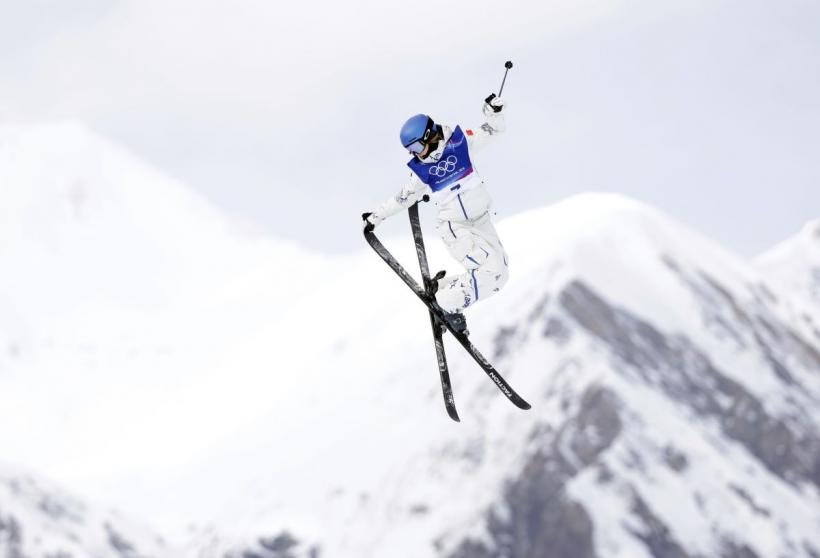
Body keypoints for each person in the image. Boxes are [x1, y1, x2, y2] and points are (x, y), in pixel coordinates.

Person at [362, 94, 509, 334]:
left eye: (417, 146)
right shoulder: (421, 171)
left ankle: (443, 289)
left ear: (431, 135)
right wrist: (376, 217)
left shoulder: (460, 144)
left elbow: (492, 131)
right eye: (410, 150)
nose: (415, 153)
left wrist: (493, 112)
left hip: (481, 220)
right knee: (489, 270)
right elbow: (402, 197)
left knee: (501, 274)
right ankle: (448, 305)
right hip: (455, 226)